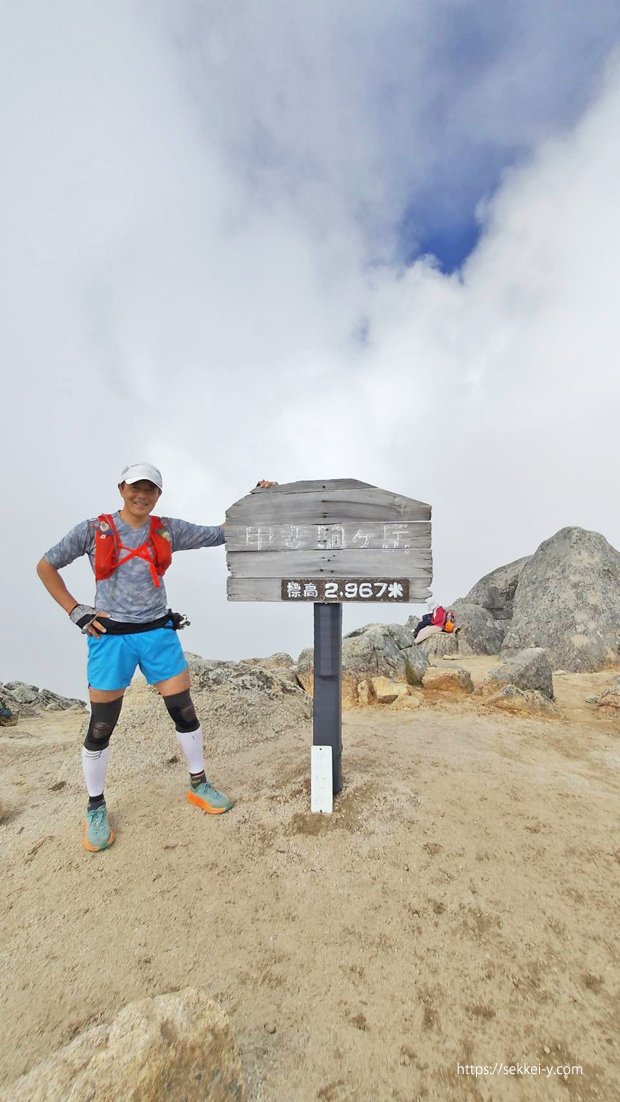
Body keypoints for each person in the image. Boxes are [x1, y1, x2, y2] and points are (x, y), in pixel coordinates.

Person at [36, 463, 278, 854]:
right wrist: (74, 609)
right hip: (111, 637)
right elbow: (46, 565)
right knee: (101, 726)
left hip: (158, 633)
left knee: (184, 711)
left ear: (158, 495)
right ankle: (95, 807)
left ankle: (199, 784)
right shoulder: (92, 530)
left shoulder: (166, 529)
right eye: (136, 488)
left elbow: (220, 533)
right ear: (121, 488)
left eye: (150, 489)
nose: (142, 495)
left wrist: (255, 498)